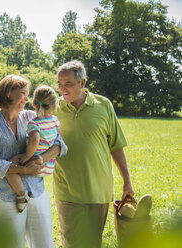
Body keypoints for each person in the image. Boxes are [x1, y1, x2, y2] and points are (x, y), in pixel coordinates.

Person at [53, 60, 135, 248]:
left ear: (82, 83)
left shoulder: (103, 105)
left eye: (68, 84)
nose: (62, 89)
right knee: (72, 243)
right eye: (59, 83)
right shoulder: (53, 108)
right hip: (67, 190)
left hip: (98, 190)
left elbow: (116, 146)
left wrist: (127, 181)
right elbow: (24, 117)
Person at [0, 75, 67, 248]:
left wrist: (40, 159)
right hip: (6, 195)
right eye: (23, 94)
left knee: (45, 244)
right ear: (8, 94)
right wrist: (23, 169)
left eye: (28, 94)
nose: (27, 99)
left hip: (37, 190)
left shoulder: (31, 117)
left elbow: (59, 144)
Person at [6, 85, 64, 213]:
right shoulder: (55, 121)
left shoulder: (34, 123)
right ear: (54, 107)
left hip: (34, 162)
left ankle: (21, 195)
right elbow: (58, 139)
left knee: (8, 166)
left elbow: (34, 140)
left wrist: (27, 156)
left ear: (33, 104)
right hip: (49, 165)